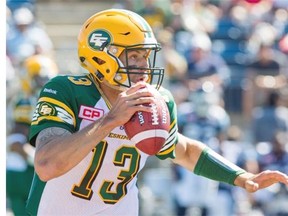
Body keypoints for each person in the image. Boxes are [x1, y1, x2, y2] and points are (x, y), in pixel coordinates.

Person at [25, 9, 288, 216]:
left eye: (145, 56)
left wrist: (242, 177)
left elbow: (183, 150)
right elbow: (47, 165)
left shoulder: (156, 99)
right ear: (102, 54)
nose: (143, 66)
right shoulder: (67, 90)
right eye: (133, 56)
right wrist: (110, 120)